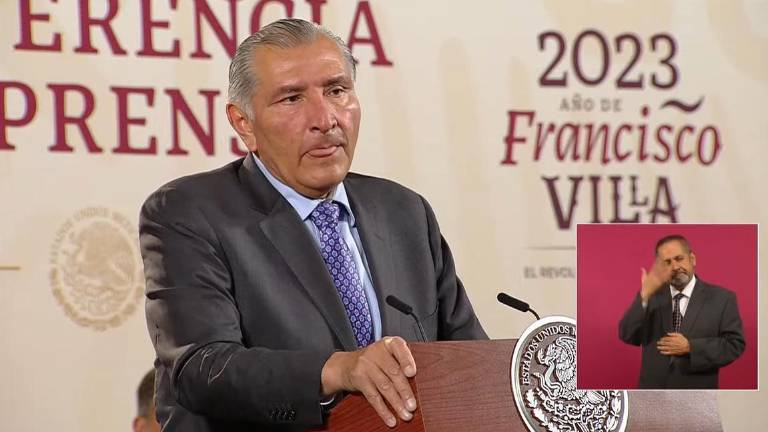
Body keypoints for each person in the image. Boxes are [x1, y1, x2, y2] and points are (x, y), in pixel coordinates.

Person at [139, 18, 487, 431]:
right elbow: (204, 369)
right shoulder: (188, 213)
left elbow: (469, 360)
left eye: (337, 90)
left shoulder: (404, 211)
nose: (325, 119)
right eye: (291, 99)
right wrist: (338, 369)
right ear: (243, 124)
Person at [618, 234, 745, 389]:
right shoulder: (651, 296)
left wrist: (691, 347)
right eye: (667, 262)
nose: (675, 267)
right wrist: (644, 294)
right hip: (652, 397)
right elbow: (627, 335)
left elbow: (734, 345)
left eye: (679, 258)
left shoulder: (722, 298)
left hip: (697, 398)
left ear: (692, 259)